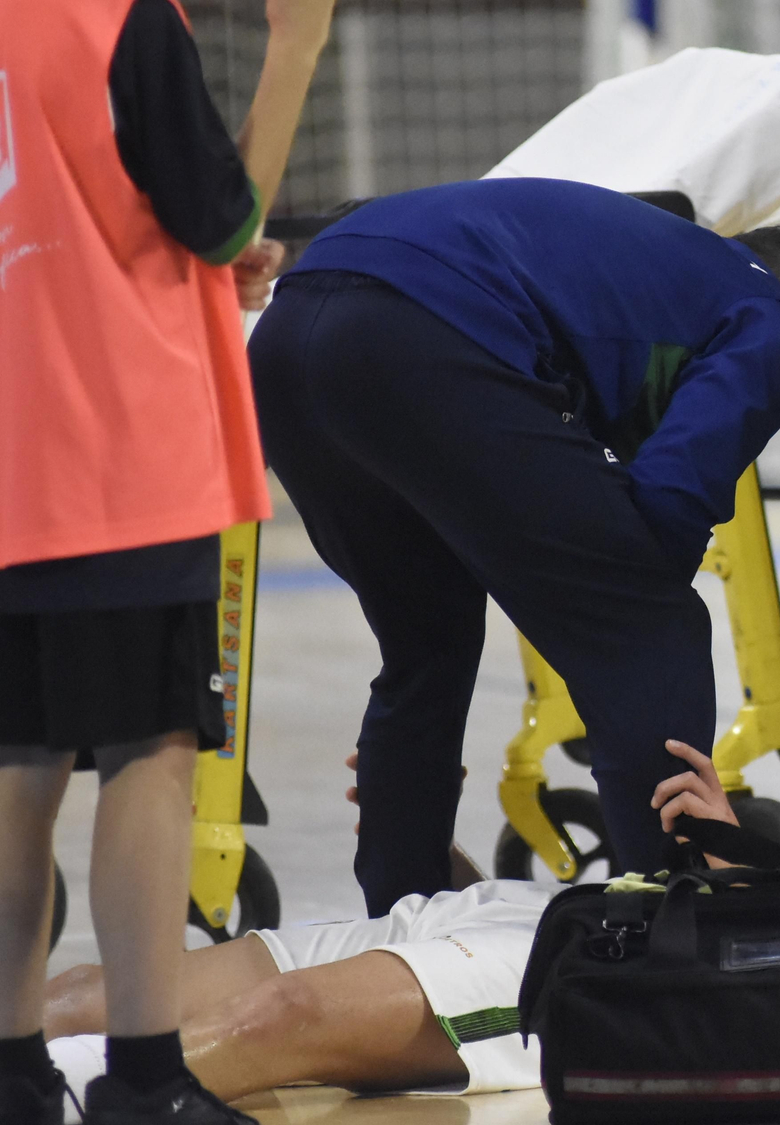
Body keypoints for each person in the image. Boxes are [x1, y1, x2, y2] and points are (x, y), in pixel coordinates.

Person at [246, 180, 780, 918]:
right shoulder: (769, 312)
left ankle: (403, 904)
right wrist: (618, 603)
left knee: (426, 645)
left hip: (287, 337)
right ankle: (671, 928)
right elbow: (670, 500)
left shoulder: (653, 274)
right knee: (648, 627)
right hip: (421, 328)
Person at [33, 743, 780, 1115]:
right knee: (101, 991)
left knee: (281, 1022)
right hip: (514, 911)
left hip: (597, 963)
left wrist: (728, 854)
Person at [0, 1, 334, 1122]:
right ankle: (146, 1078)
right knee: (151, 748)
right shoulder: (117, 17)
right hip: (118, 451)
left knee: (18, 771)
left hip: (13, 446)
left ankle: (10, 1074)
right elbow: (221, 218)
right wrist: (298, 45)